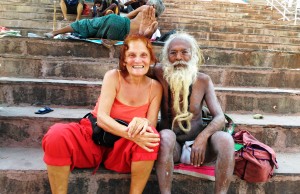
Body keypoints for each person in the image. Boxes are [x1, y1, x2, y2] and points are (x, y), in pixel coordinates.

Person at [42, 34, 163, 194]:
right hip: (93, 137)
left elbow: (151, 122)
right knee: (56, 135)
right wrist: (131, 135)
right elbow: (102, 118)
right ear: (124, 60)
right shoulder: (113, 76)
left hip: (123, 150)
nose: (138, 60)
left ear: (150, 59)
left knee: (151, 136)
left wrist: (142, 123)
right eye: (132, 55)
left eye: (143, 55)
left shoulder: (155, 87)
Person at [152, 32, 235, 194]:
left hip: (200, 149)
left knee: (226, 139)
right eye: (173, 53)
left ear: (193, 54)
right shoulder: (159, 73)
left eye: (184, 52)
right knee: (166, 136)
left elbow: (219, 117)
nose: (179, 57)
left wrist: (202, 138)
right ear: (166, 56)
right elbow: (131, 66)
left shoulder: (203, 80)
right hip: (171, 148)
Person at [44, 0, 165, 40]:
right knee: (96, 33)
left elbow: (127, 17)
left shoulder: (144, 8)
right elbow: (146, 38)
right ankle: (76, 35)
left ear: (151, 6)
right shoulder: (155, 24)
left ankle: (55, 33)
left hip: (120, 22)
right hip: (123, 36)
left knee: (85, 23)